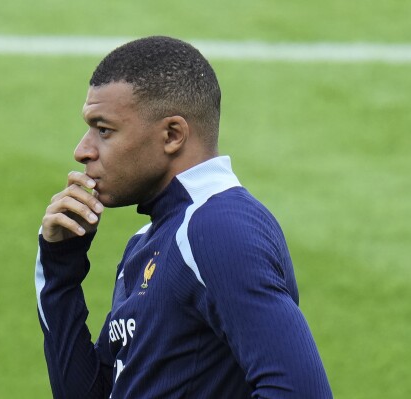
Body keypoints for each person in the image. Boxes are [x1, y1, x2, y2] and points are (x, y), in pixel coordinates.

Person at [35, 36, 332, 398]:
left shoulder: (217, 229)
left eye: (104, 130)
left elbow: (300, 392)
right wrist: (59, 270)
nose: (82, 150)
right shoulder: (148, 241)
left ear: (173, 135)